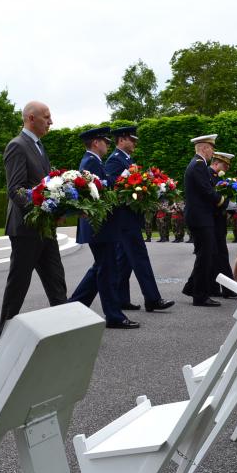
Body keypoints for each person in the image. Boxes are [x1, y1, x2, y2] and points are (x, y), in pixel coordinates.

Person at [0, 101, 67, 342]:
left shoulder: (39, 146)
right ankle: (4, 339)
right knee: (18, 286)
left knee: (56, 281)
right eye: (46, 117)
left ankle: (66, 333)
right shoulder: (17, 146)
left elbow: (43, 185)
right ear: (30, 118)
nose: (51, 121)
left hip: (44, 227)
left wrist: (58, 204)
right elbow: (15, 190)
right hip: (26, 229)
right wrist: (42, 209)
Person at [68, 127, 138, 329]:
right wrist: (121, 179)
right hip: (99, 227)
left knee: (101, 268)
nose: (108, 145)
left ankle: (73, 307)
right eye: (105, 141)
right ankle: (114, 316)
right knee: (107, 271)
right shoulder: (90, 161)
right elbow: (98, 189)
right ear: (96, 143)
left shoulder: (93, 161)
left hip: (100, 226)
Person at [105, 126, 174, 313]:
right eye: (131, 139)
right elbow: (116, 190)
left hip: (129, 218)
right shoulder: (114, 161)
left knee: (124, 261)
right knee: (140, 258)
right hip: (124, 220)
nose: (135, 143)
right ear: (121, 140)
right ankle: (153, 299)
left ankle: (120, 299)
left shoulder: (127, 159)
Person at [181, 134, 227, 307]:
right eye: (211, 148)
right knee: (205, 256)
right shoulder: (199, 165)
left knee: (206, 254)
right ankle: (200, 296)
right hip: (200, 217)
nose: (213, 152)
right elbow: (207, 191)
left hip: (200, 216)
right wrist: (223, 201)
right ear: (204, 148)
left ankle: (191, 287)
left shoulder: (199, 164)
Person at [207, 152, 237, 298]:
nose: (226, 169)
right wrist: (227, 203)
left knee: (216, 255)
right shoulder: (208, 174)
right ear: (216, 163)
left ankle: (214, 287)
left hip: (218, 219)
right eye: (224, 165)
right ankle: (228, 288)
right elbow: (212, 197)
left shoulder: (218, 177)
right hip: (212, 219)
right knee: (220, 255)